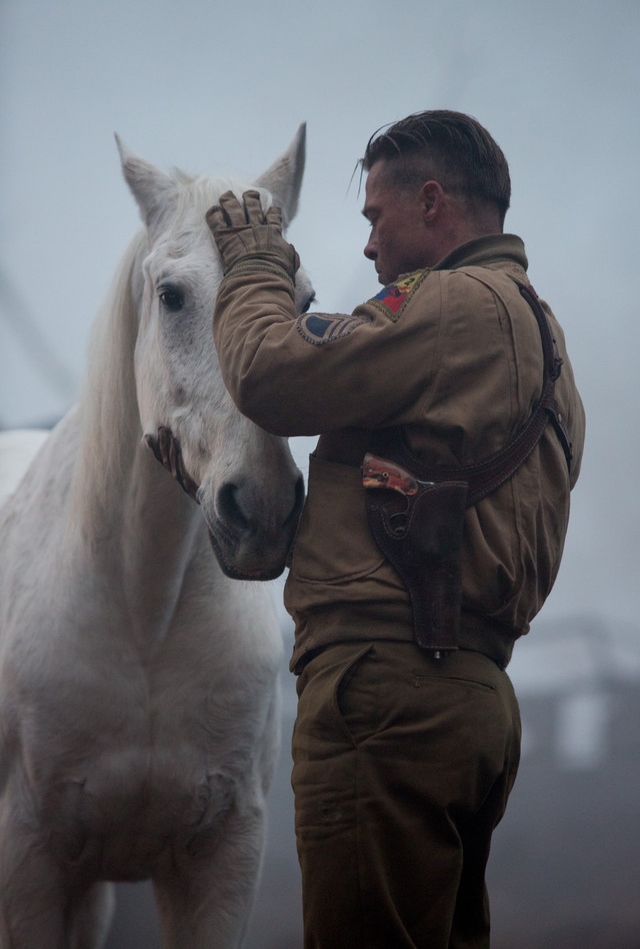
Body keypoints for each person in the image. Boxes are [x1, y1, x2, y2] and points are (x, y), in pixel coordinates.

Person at [206, 110, 585, 949]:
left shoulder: (450, 306)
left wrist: (253, 266)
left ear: (432, 202)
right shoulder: (550, 346)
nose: (371, 247)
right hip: (473, 698)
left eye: (376, 218)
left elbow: (269, 373)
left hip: (386, 690)